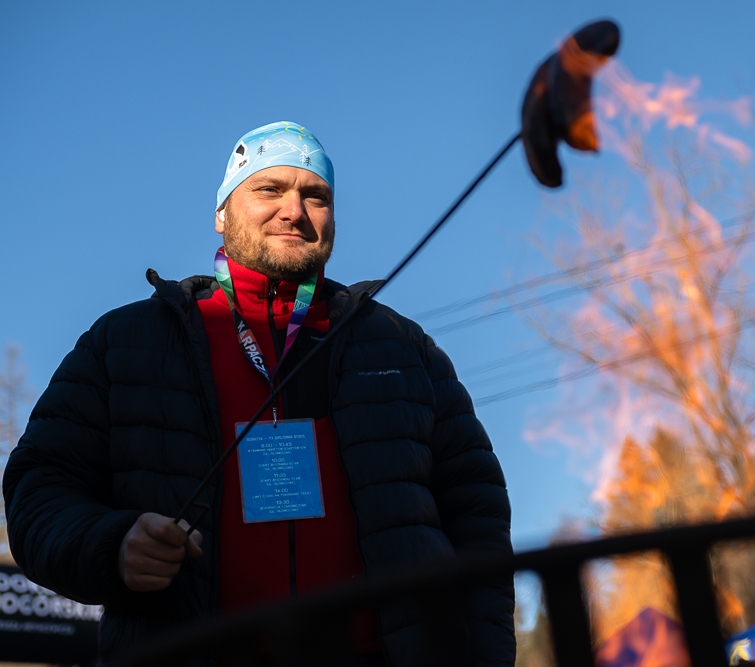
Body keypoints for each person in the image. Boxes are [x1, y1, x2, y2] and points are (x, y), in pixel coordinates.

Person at [2, 121, 515, 666]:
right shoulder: (125, 341)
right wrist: (112, 545)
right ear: (222, 213)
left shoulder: (402, 345)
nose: (294, 211)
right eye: (269, 189)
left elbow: (478, 517)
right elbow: (39, 489)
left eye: (315, 196)